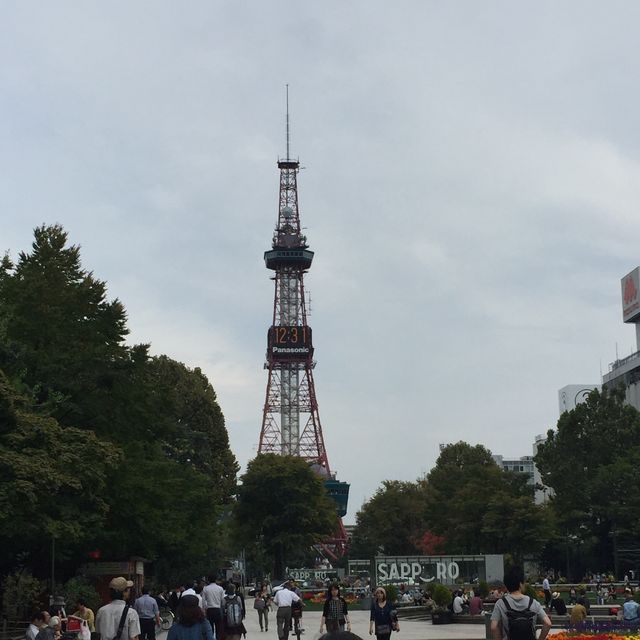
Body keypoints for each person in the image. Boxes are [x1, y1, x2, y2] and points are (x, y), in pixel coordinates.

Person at [491, 566, 551, 640]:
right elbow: (548, 623)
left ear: (506, 585)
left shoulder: (500, 603)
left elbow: (493, 627)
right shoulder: (533, 603)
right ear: (520, 584)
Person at [202, 575, 225, 639]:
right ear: (216, 580)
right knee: (218, 628)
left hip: (209, 610)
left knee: (210, 628)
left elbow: (203, 602)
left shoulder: (205, 588)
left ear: (208, 580)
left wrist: (205, 610)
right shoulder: (220, 588)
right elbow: (222, 601)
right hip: (218, 610)